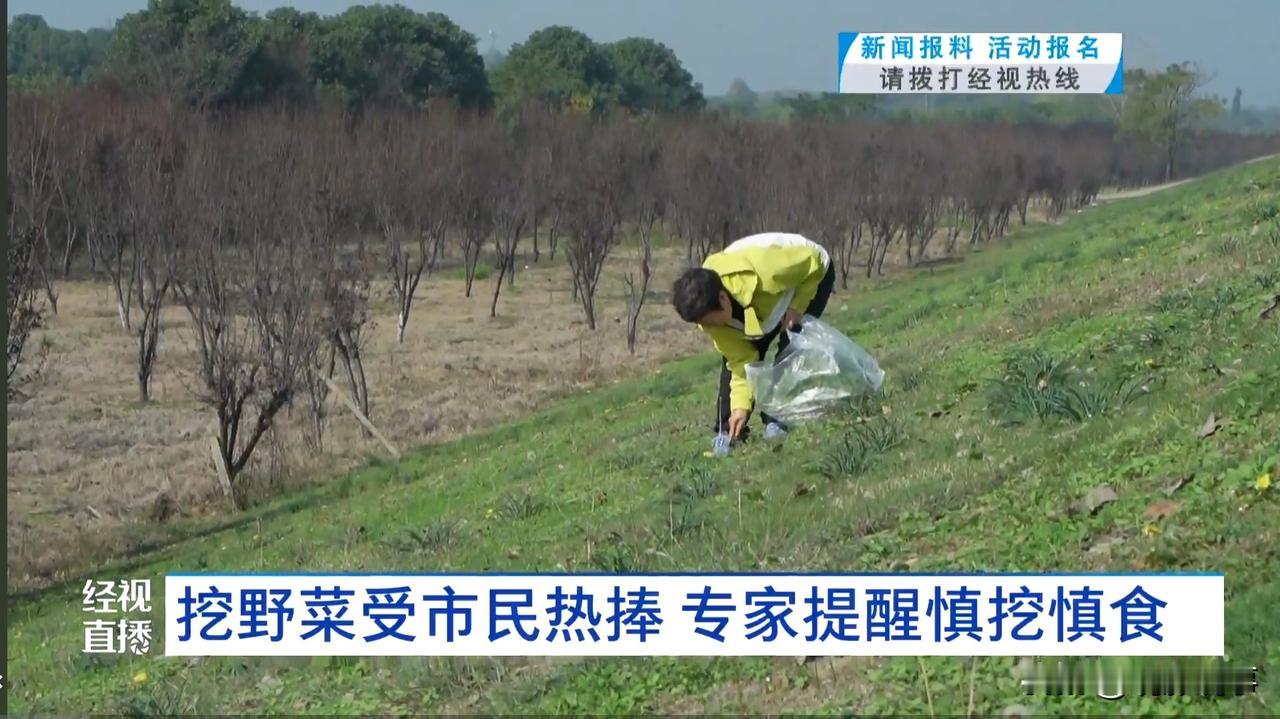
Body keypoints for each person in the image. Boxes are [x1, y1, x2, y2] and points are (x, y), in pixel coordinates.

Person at [672, 232, 836, 457]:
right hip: (760, 310)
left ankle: (778, 420)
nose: (709, 328)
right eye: (702, 324)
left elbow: (813, 262)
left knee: (790, 345)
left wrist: (798, 306)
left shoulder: (770, 271)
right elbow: (742, 363)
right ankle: (730, 427)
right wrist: (741, 407)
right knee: (734, 361)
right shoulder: (711, 320)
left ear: (722, 299)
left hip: (808, 274)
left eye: (710, 321)